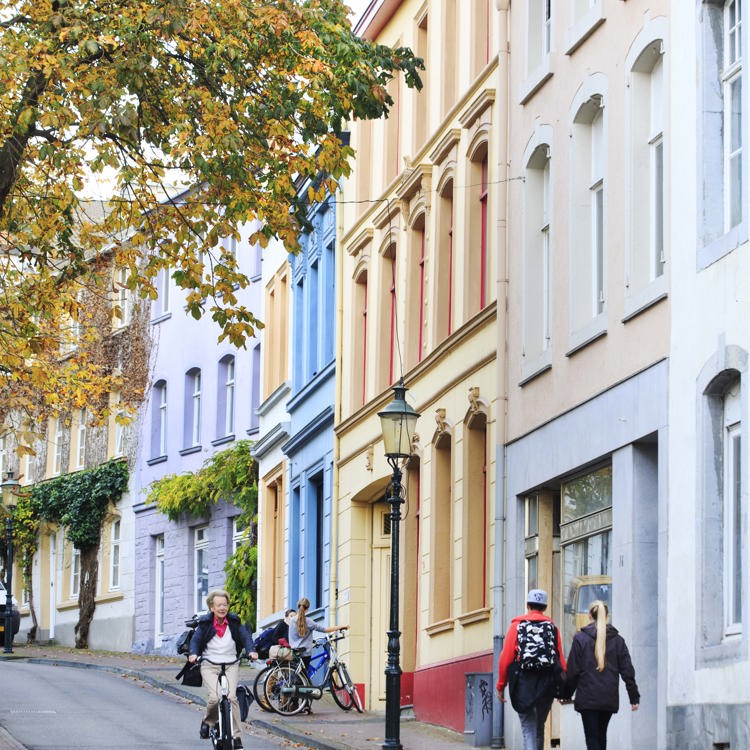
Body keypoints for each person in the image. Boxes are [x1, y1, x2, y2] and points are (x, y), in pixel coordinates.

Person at [559, 600, 639, 750]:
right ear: (607, 616)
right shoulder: (618, 641)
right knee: (601, 737)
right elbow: (627, 670)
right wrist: (633, 697)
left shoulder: (580, 639)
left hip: (588, 698)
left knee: (593, 739)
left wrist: (565, 694)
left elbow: (573, 671)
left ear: (589, 615)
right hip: (608, 697)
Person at [496, 589, 567, 750]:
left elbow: (505, 659)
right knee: (539, 727)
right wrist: (564, 688)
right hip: (546, 685)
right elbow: (560, 661)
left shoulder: (517, 626)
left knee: (528, 730)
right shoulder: (552, 628)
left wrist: (501, 686)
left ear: (527, 605)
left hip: (523, 685)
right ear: (545, 607)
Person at [188, 589, 254, 749]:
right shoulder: (204, 624)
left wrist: (251, 650)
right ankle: (208, 721)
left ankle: (237, 737)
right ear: (212, 607)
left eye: (224, 605)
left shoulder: (234, 622)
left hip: (231, 663)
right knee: (215, 698)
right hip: (209, 665)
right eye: (218, 605)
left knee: (232, 698)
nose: (222, 608)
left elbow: (245, 636)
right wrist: (193, 654)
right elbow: (196, 640)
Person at [288, 597, 348, 669]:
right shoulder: (309, 622)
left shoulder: (292, 620)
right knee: (303, 676)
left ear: (298, 607)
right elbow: (325, 630)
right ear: (307, 609)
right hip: (305, 653)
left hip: (294, 652)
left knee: (298, 675)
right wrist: (340, 626)